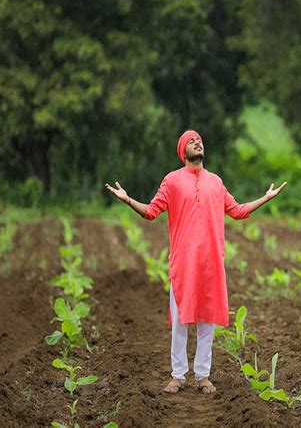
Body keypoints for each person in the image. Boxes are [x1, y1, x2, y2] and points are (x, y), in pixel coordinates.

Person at [105, 130, 287, 395]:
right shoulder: (172, 181)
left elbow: (237, 211)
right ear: (183, 151)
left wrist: (266, 198)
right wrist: (128, 200)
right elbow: (151, 212)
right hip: (183, 265)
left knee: (207, 322)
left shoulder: (216, 181)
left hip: (212, 263)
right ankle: (178, 376)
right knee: (180, 322)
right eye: (191, 141)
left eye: (199, 140)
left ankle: (203, 375)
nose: (197, 142)